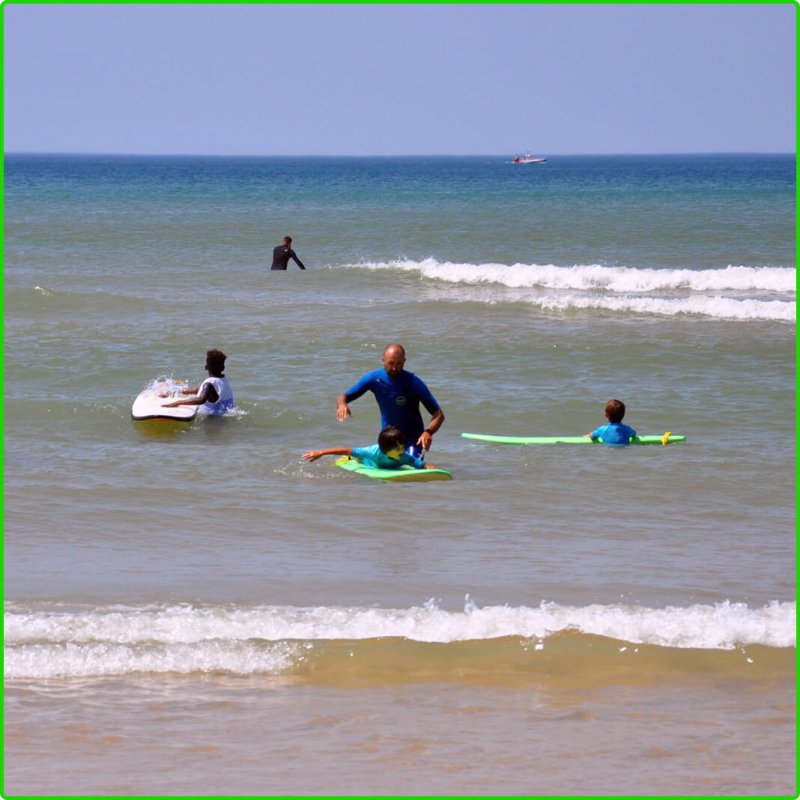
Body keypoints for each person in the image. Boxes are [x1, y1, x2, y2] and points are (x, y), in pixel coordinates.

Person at [336, 343, 444, 458]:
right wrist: (342, 405)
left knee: (412, 463)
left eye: (399, 364)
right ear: (383, 360)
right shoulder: (373, 379)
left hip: (413, 441)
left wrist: (428, 432)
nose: (394, 368)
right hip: (388, 441)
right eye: (391, 363)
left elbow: (438, 415)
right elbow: (343, 397)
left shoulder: (413, 382)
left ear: (404, 361)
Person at [303, 425, 436, 470]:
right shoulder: (372, 452)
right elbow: (346, 449)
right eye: (397, 449)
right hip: (367, 460)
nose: (402, 451)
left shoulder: (404, 457)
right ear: (386, 451)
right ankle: (350, 459)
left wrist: (429, 468)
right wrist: (321, 452)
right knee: (356, 456)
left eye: (403, 447)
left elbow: (420, 465)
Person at [164, 349, 234, 416]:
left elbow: (201, 400)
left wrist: (178, 402)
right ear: (223, 368)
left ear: (206, 367)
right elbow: (200, 389)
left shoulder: (209, 384)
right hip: (224, 414)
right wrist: (179, 392)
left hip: (211, 418)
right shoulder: (223, 380)